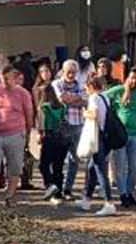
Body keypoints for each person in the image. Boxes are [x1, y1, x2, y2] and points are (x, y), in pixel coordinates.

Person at [0, 67, 34, 207]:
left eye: (7, 78)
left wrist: (28, 132)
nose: (5, 81)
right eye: (2, 78)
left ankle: (10, 194)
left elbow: (29, 114)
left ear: (15, 78)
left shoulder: (23, 93)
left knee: (15, 165)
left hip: (15, 132)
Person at [104, 69, 136, 208]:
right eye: (133, 77)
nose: (135, 81)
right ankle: (123, 195)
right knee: (120, 167)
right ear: (128, 77)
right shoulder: (118, 90)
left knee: (134, 167)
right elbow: (102, 97)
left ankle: (129, 192)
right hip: (120, 135)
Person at [75, 75, 117, 216]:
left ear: (91, 87)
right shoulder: (105, 97)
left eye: (87, 87)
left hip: (97, 136)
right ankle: (86, 198)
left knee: (100, 169)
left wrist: (84, 113)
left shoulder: (94, 98)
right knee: (92, 168)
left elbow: (94, 115)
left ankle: (109, 202)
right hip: (105, 136)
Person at [54, 59, 87, 200]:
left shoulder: (81, 84)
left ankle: (68, 189)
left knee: (75, 159)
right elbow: (62, 99)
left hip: (78, 124)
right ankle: (57, 189)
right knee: (59, 159)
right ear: (63, 71)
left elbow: (86, 100)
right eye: (69, 72)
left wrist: (73, 99)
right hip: (63, 125)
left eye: (74, 72)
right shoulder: (57, 83)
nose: (71, 75)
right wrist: (77, 98)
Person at [36, 68, 68, 201]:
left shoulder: (44, 107)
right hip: (62, 139)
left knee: (43, 164)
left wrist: (40, 134)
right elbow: (64, 120)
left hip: (49, 137)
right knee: (58, 166)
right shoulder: (62, 106)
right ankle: (59, 191)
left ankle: (50, 185)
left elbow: (42, 123)